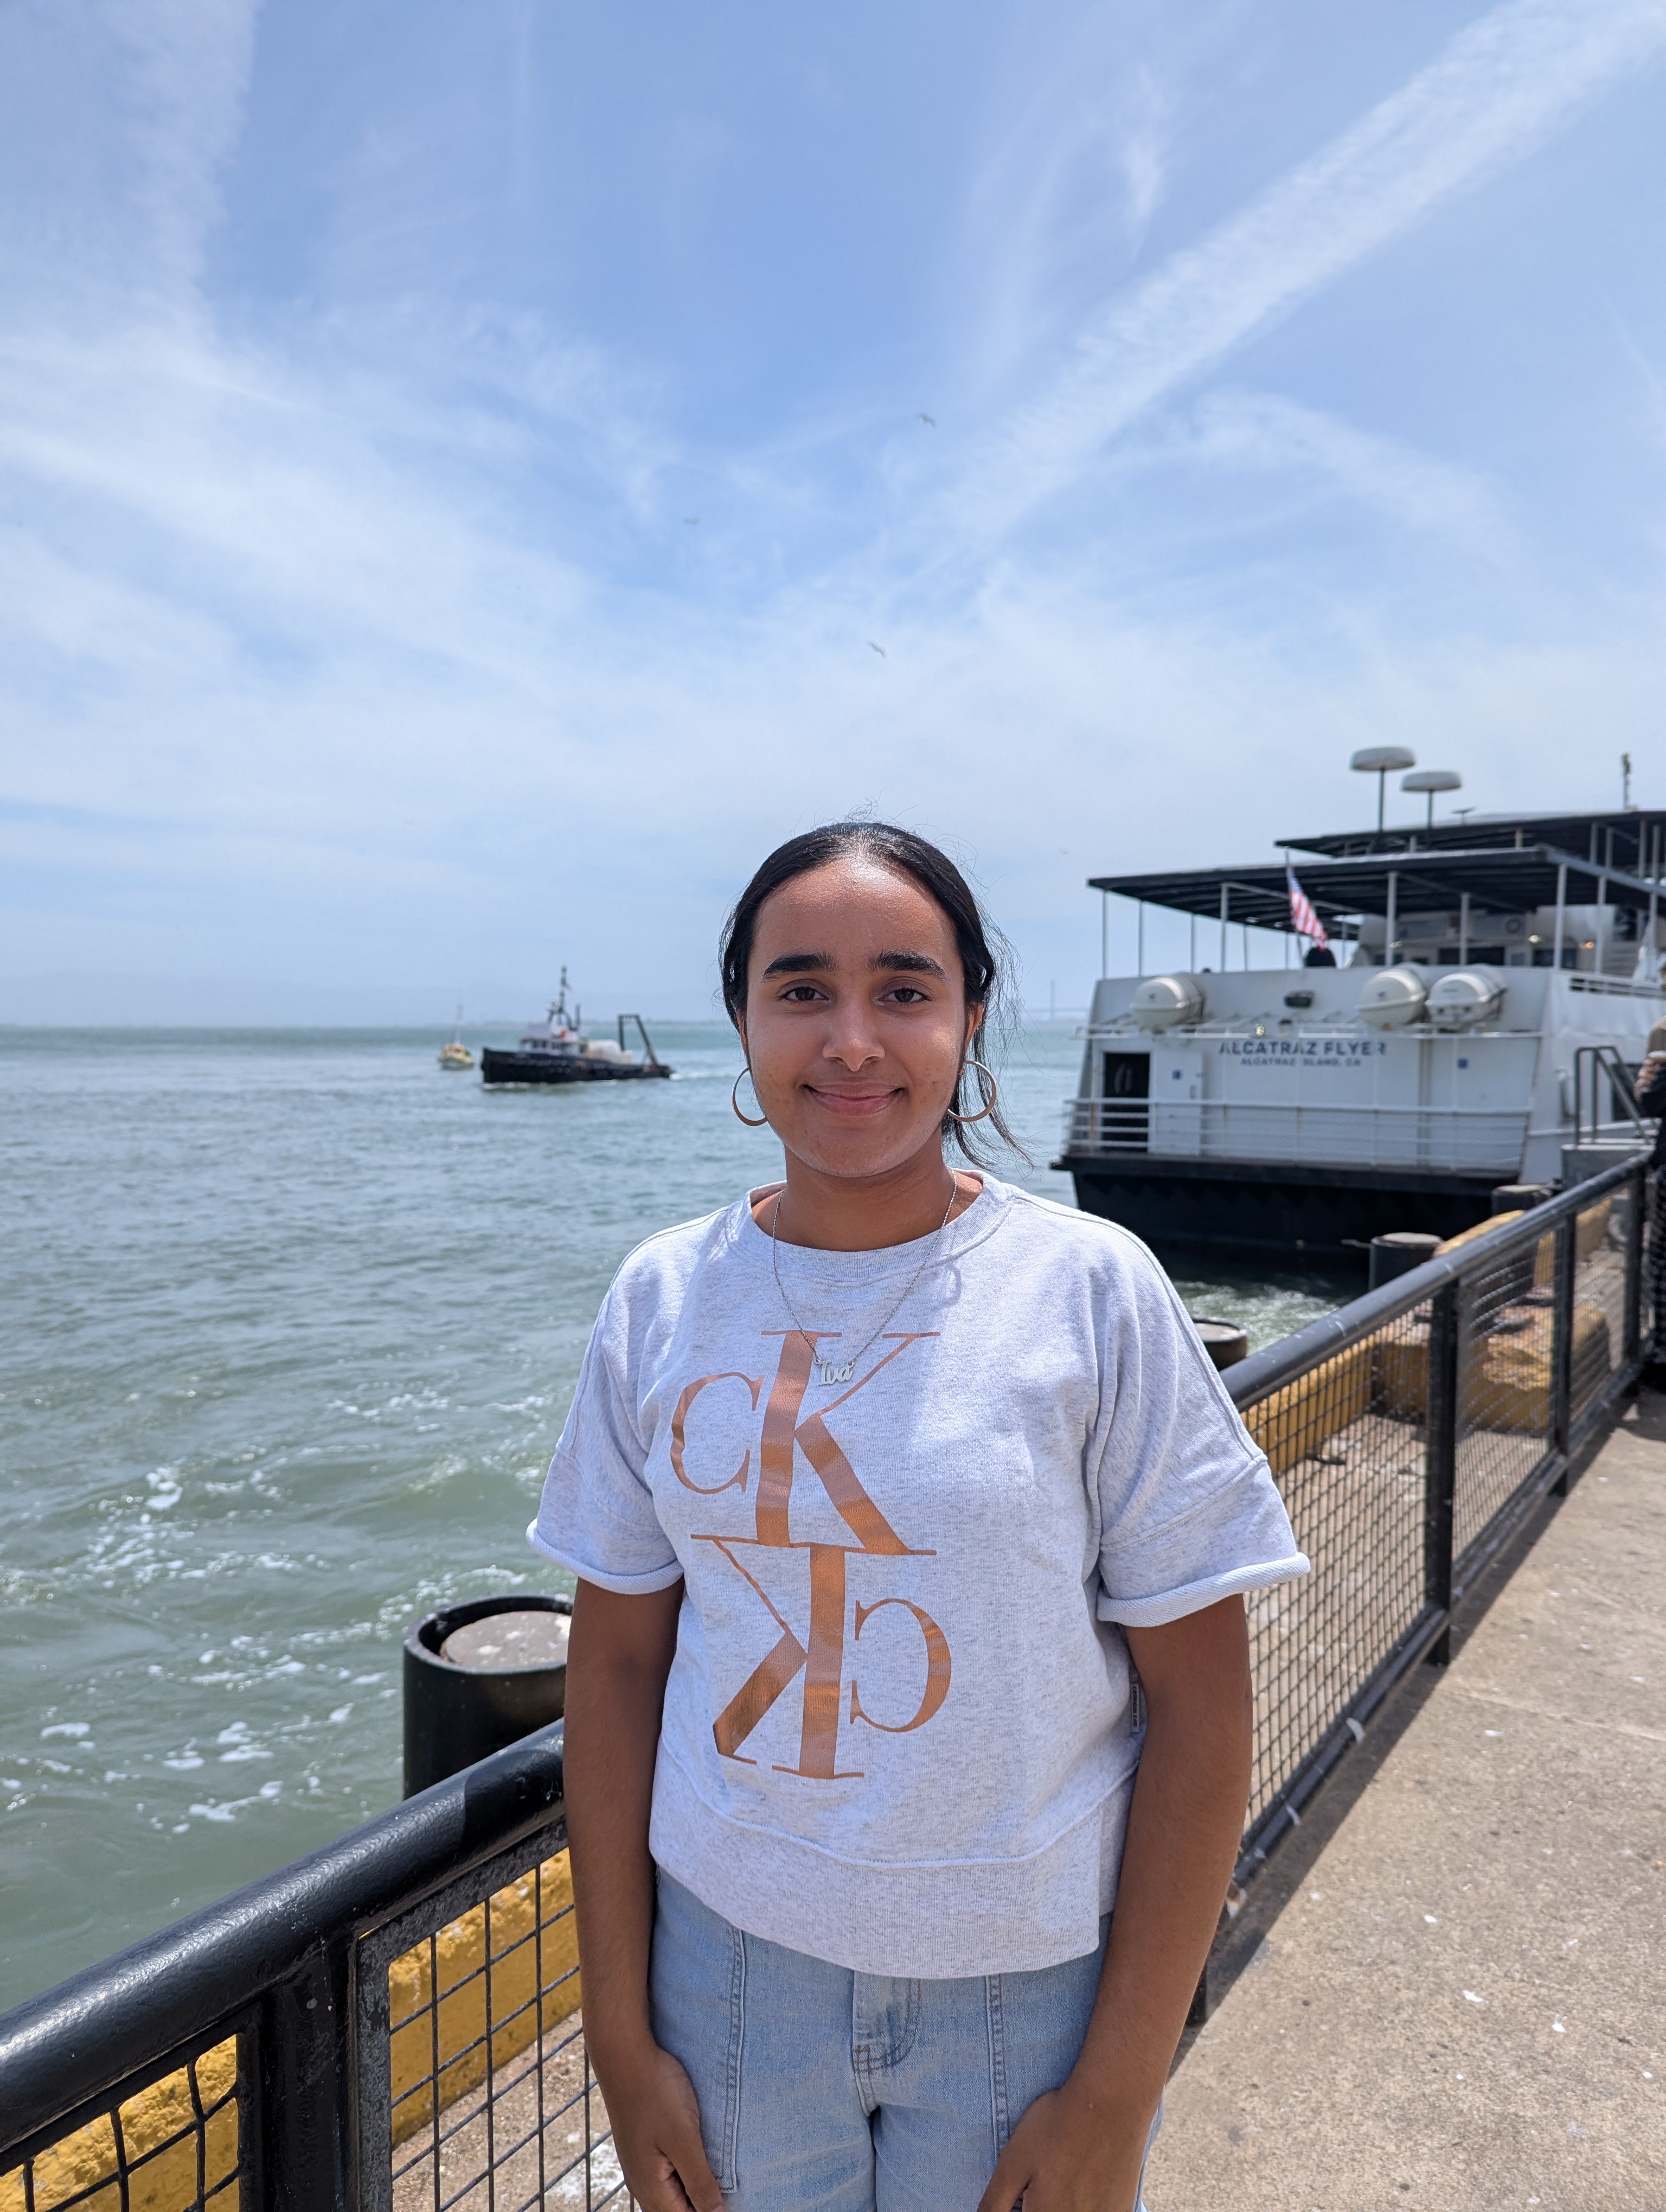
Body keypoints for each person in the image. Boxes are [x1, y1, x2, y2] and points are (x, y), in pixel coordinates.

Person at [531, 822, 1308, 2212]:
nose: (850, 1041)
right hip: (724, 1977)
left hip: (1027, 1989)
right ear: (743, 1016)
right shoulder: (662, 1296)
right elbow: (619, 1666)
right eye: (800, 989)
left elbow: (1201, 1709)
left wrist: (1120, 2093)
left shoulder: (1090, 1289)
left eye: (903, 988)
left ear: (970, 1018)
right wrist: (619, 2033)